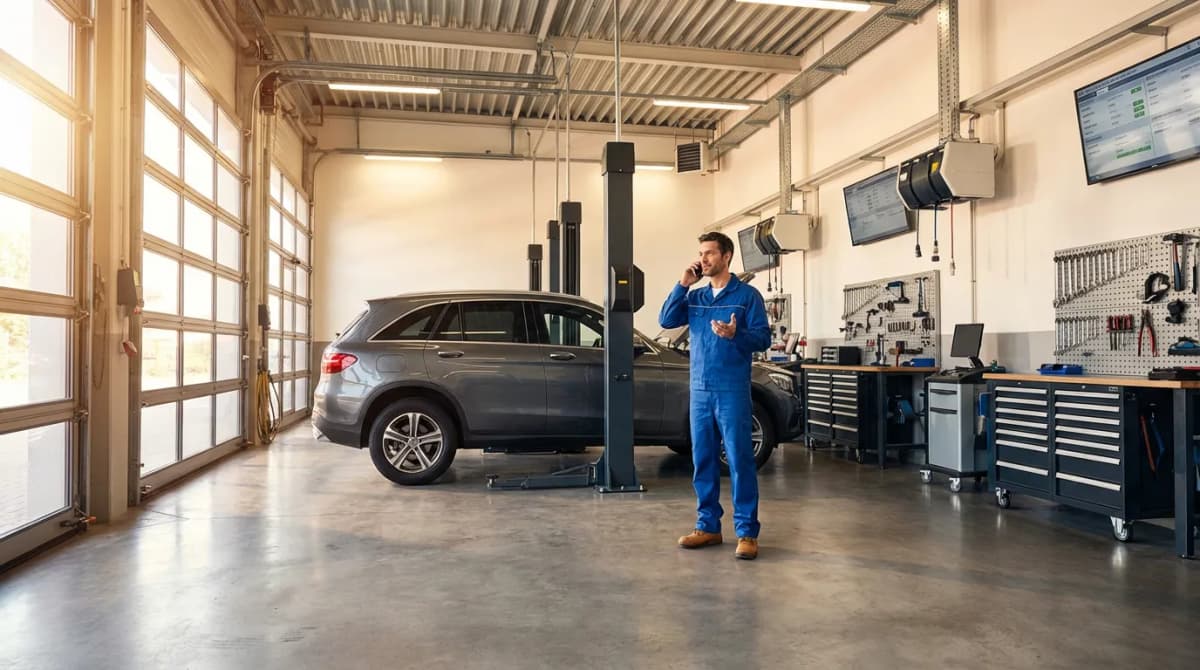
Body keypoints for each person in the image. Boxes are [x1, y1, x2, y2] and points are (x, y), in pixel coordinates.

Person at [658, 232, 771, 560]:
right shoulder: (695, 298)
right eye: (700, 254)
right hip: (700, 391)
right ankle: (708, 526)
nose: (703, 259)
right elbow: (666, 320)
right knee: (703, 460)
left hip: (732, 389)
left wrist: (738, 335)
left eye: (709, 254)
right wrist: (682, 284)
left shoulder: (747, 296)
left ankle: (747, 532)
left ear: (726, 257)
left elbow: (762, 338)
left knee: (739, 460)